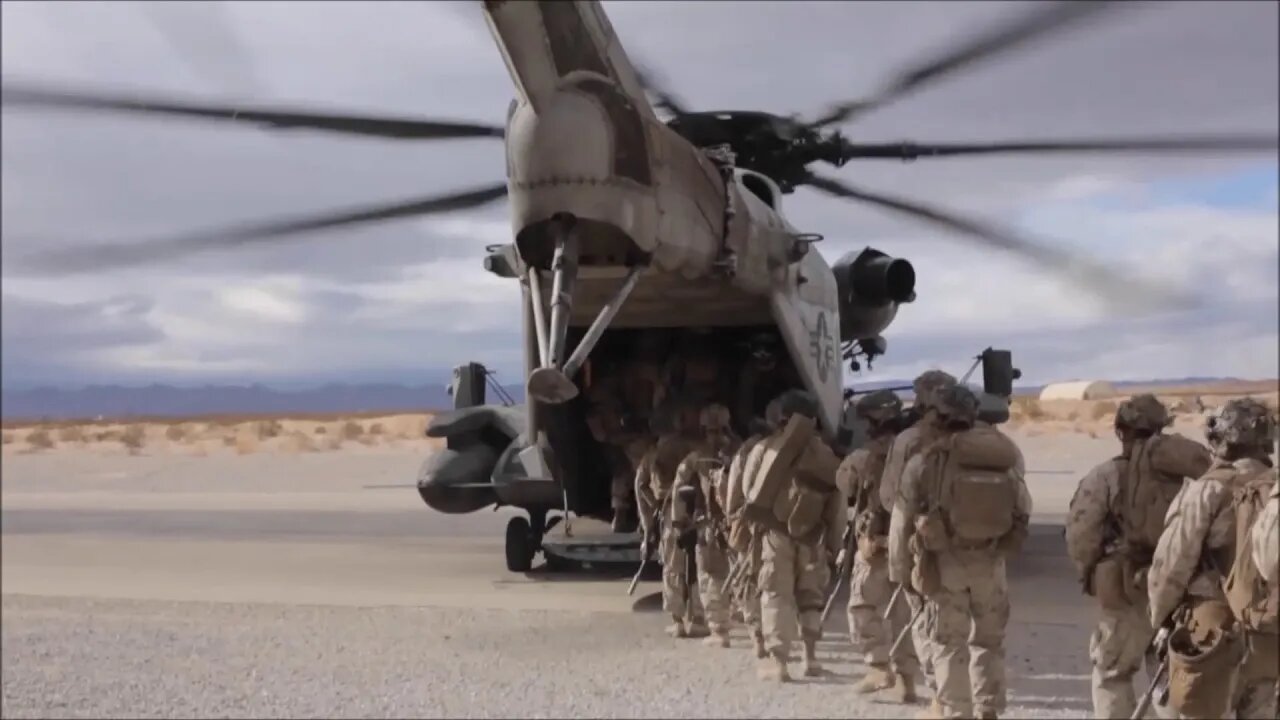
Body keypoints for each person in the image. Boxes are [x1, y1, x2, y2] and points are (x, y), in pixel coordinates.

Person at [1064, 394, 1211, 719]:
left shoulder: (1106, 475)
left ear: (1120, 431)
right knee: (1171, 675)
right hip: (1181, 588)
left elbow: (1081, 532)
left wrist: (1091, 573)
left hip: (1126, 588)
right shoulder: (1190, 475)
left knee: (1112, 673)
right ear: (1163, 427)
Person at [889, 385, 1031, 720]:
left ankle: (955, 713)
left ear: (936, 415)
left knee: (948, 645)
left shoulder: (925, 462)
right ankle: (987, 708)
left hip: (945, 565)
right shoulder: (1001, 457)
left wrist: (901, 572)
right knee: (989, 642)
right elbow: (1022, 508)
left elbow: (902, 521)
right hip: (991, 564)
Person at [1148, 398, 1277, 720]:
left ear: (1220, 440)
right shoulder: (1275, 491)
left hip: (1212, 632)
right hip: (1267, 633)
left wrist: (1159, 618)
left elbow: (1172, 563)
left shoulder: (1208, 489)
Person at [752, 390, 845, 682]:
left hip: (775, 533)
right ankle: (811, 657)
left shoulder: (766, 449)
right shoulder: (828, 456)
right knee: (810, 597)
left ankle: (778, 662)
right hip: (812, 535)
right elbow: (837, 507)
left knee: (776, 593)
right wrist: (833, 545)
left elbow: (746, 493)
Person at [881, 370, 959, 710]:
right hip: (975, 549)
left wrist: (897, 562)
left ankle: (928, 693)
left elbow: (892, 500)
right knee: (972, 633)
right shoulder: (991, 444)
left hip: (922, 546)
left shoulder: (910, 440)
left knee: (926, 623)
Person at [836, 389, 920, 702]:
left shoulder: (865, 456)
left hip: (874, 545)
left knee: (862, 607)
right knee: (903, 614)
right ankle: (907, 681)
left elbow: (845, 487)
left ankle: (878, 667)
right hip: (910, 543)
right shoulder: (918, 449)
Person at [671, 404, 742, 647]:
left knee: (711, 576)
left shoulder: (696, 457)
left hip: (711, 525)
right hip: (740, 526)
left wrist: (679, 522)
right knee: (745, 574)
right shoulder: (743, 452)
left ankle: (719, 632)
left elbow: (679, 491)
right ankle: (758, 630)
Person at [634, 398, 706, 638]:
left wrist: (648, 521)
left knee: (673, 566)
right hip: (695, 511)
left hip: (667, 514)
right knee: (697, 564)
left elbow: (640, 485)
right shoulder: (695, 448)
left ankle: (677, 621)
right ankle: (697, 617)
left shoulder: (652, 455)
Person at [724, 399, 785, 659]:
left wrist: (731, 519)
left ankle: (758, 639)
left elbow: (734, 492)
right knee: (774, 585)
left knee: (749, 582)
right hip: (778, 526)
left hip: (749, 525)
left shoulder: (747, 452)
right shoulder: (783, 449)